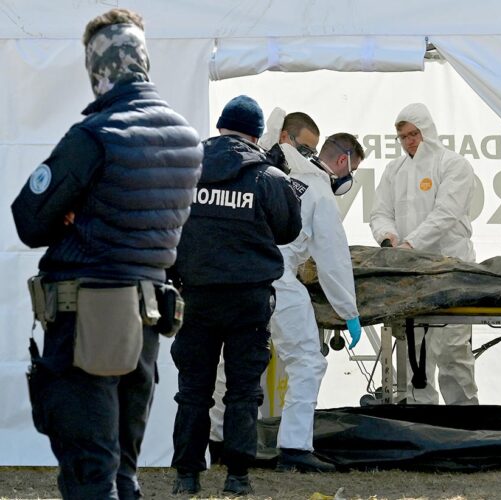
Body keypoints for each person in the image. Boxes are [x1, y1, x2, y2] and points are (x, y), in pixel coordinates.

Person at [10, 8, 203, 499]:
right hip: (146, 319)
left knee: (89, 474)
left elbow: (29, 220)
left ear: (97, 68)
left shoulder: (95, 136)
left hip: (88, 319)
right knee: (122, 471)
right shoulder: (185, 138)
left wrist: (74, 214)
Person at [209, 110, 363, 473]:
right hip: (277, 278)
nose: (347, 178)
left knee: (227, 362)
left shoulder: (257, 170)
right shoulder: (317, 187)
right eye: (350, 171)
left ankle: (215, 442)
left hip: (233, 275)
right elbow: (333, 256)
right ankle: (294, 448)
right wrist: (349, 310)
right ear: (341, 162)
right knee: (307, 361)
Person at [169, 97, 302, 495]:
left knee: (194, 389)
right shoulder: (268, 176)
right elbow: (288, 231)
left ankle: (186, 476)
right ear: (256, 133)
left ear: (222, 126)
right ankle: (238, 477)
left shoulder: (185, 169)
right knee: (244, 389)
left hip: (195, 297)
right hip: (249, 300)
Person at [369, 103, 479, 405]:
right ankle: (422, 425)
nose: (410, 141)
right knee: (415, 352)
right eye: (403, 136)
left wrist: (410, 245)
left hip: (451, 271)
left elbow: (445, 214)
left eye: (414, 133)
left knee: (453, 350)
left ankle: (466, 423)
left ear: (427, 131)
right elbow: (379, 212)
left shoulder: (453, 164)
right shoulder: (394, 170)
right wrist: (387, 237)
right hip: (411, 274)